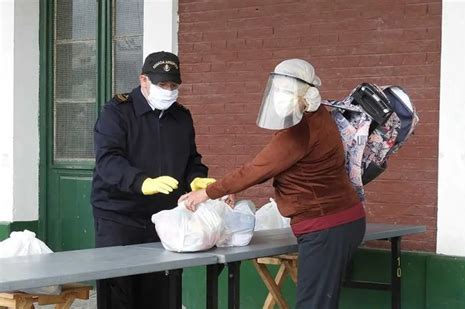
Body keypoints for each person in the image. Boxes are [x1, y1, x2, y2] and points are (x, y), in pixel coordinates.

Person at [179, 59, 366, 309]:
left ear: (308, 94)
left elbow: (257, 169)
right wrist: (231, 189)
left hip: (326, 226)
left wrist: (207, 193)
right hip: (340, 221)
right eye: (277, 90)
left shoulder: (300, 130)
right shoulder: (320, 116)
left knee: (313, 305)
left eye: (287, 91)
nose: (279, 97)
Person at [90, 51, 215, 309]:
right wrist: (141, 182)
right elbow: (108, 160)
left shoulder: (181, 116)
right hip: (119, 216)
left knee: (160, 292)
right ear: (144, 80)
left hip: (164, 217)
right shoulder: (117, 111)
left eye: (173, 85)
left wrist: (196, 179)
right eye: (162, 84)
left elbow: (191, 158)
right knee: (119, 292)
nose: (168, 90)